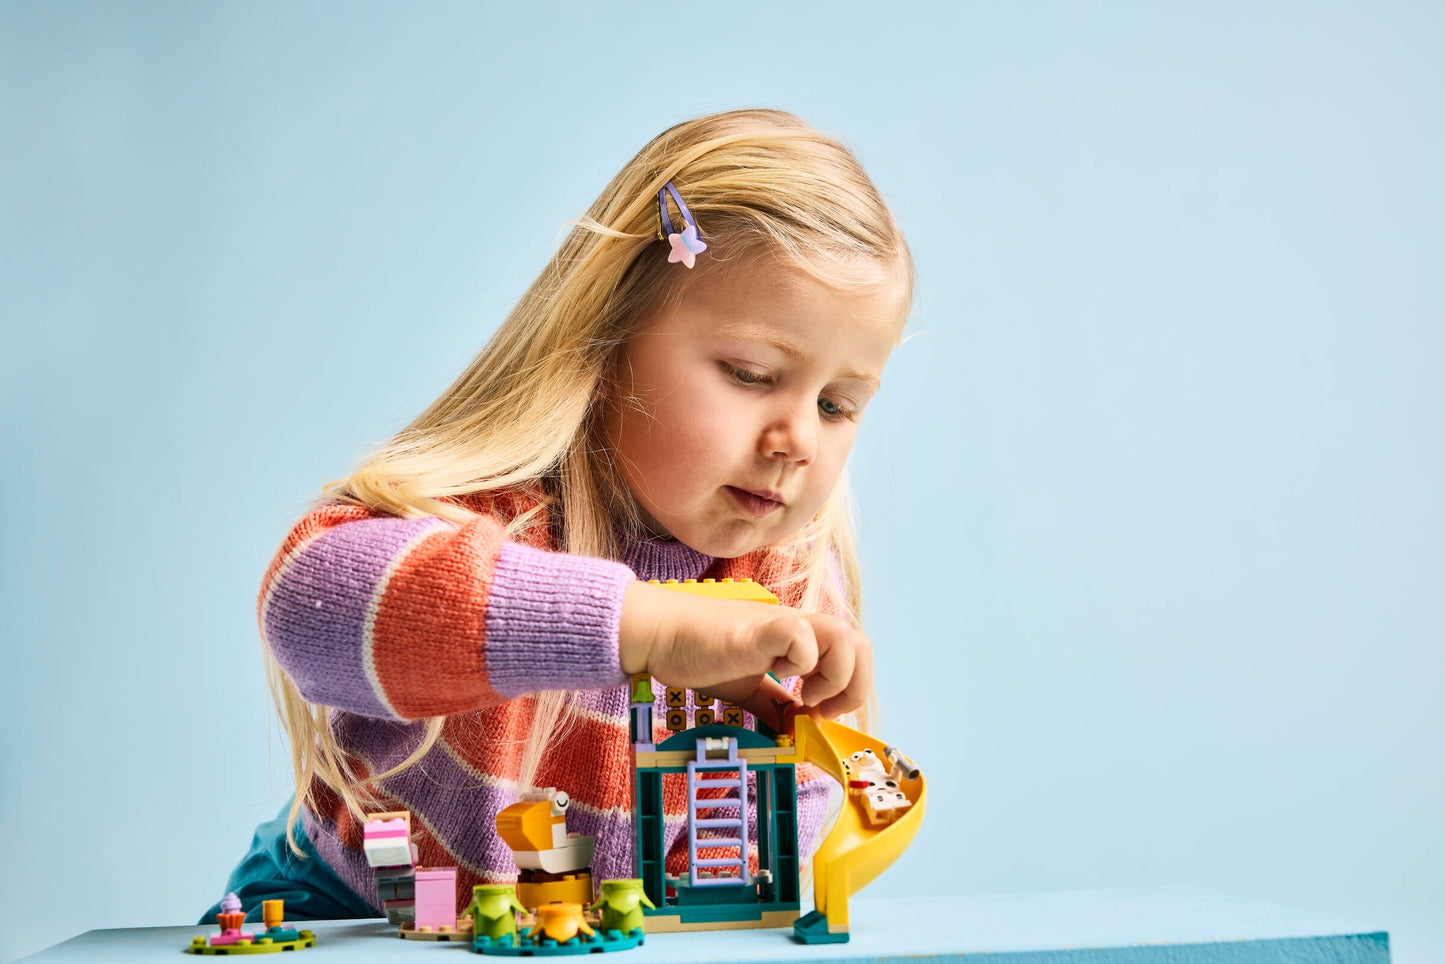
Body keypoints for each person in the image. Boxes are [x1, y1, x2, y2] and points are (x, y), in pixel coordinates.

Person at [203, 107, 915, 923]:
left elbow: (776, 836)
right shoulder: (495, 515)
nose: (796, 440)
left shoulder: (792, 584)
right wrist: (641, 627)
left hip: (591, 929)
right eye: (750, 374)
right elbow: (309, 603)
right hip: (346, 904)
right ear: (608, 340)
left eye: (837, 403)